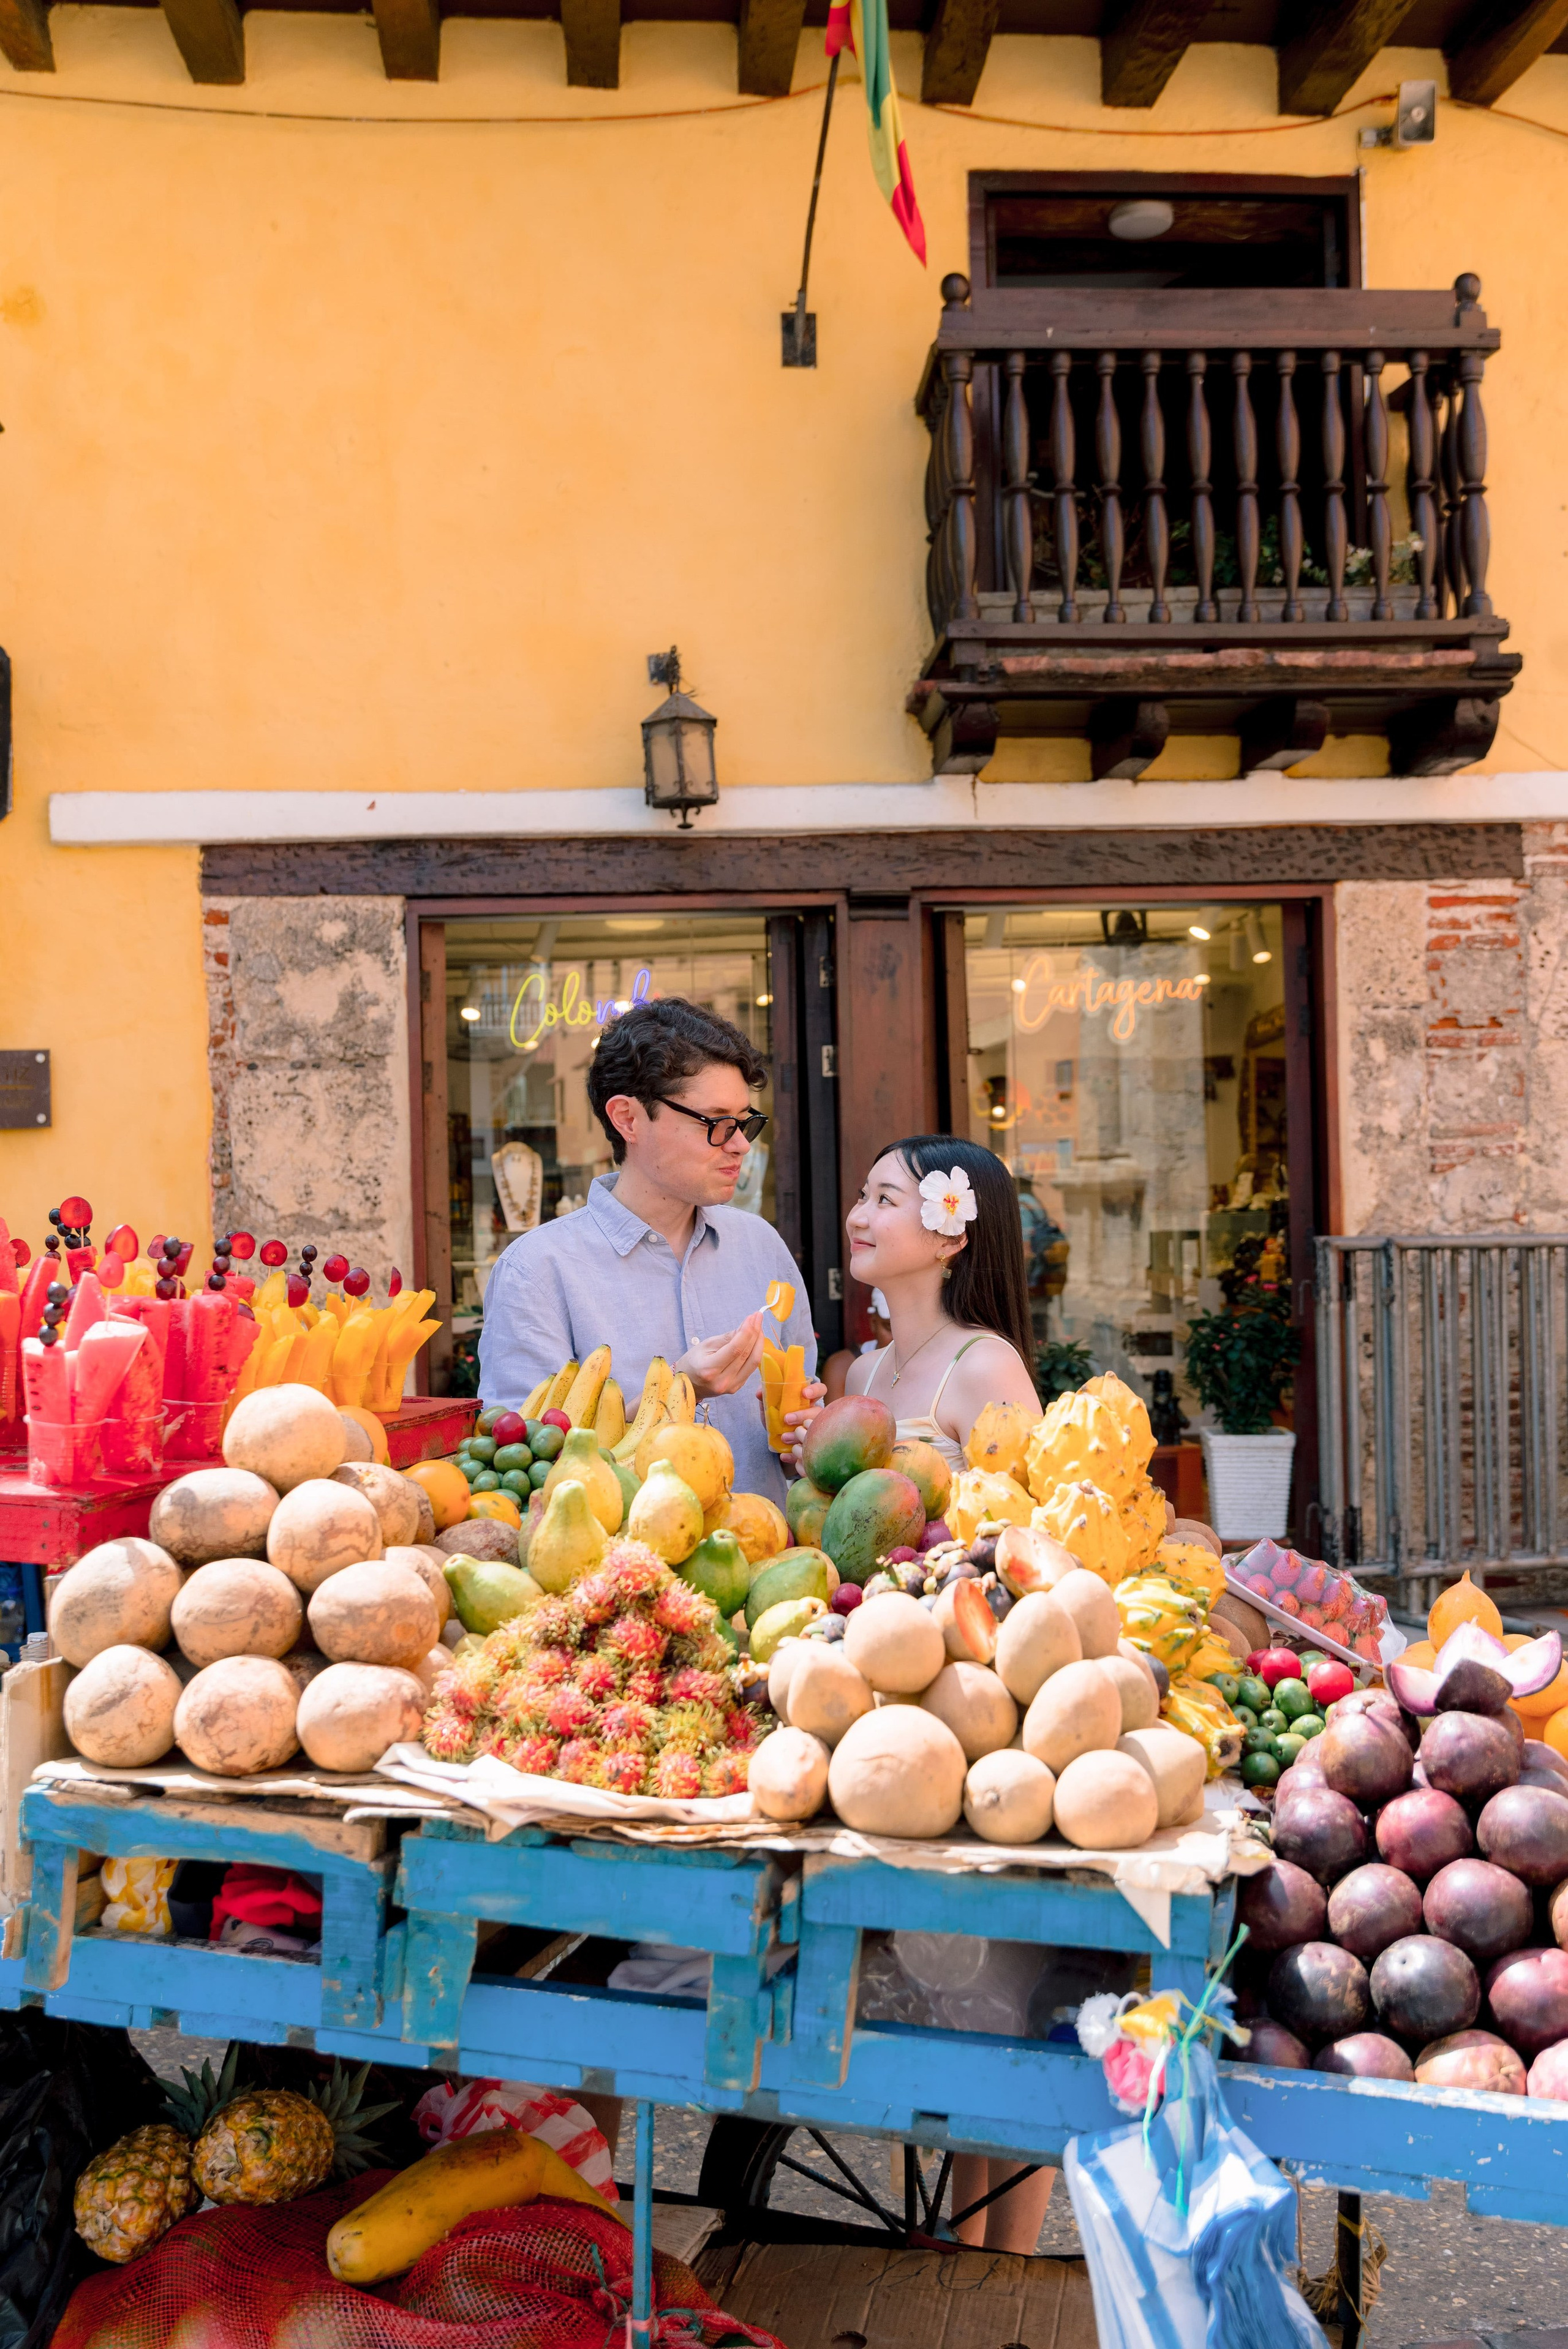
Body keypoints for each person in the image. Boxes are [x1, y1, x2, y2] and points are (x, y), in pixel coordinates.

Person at [798, 1134, 1053, 2253]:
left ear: (951, 1231)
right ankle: (948, 2258)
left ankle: (999, 2267)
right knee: (928, 1995)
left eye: (887, 1198)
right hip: (864, 1690)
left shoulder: (984, 1367)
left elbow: (1035, 1547)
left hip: (962, 1696)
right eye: (861, 1194)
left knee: (996, 1997)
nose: (860, 1213)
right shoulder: (857, 1375)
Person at [479, 997, 820, 1503]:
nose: (741, 1145)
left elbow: (797, 1439)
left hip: (770, 1561)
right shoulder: (537, 1270)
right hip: (618, 1572)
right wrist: (675, 1389)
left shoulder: (761, 1245)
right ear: (629, 1119)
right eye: (717, 1122)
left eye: (745, 1122)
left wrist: (805, 1438)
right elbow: (523, 1468)